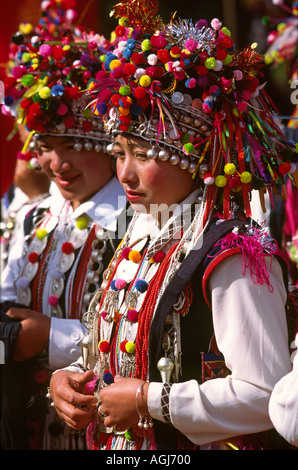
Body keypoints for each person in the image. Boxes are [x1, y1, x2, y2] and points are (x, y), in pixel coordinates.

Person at [49, 2, 297, 451]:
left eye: (143, 156)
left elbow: (266, 396)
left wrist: (152, 400)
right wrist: (67, 379)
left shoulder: (235, 253)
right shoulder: (146, 229)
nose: (124, 173)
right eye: (119, 152)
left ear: (195, 155)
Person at [0, 1, 128, 450]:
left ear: (111, 146)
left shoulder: (138, 221)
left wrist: (50, 338)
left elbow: (151, 333)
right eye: (47, 146)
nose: (58, 163)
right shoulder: (31, 214)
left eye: (74, 145)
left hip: (103, 431)